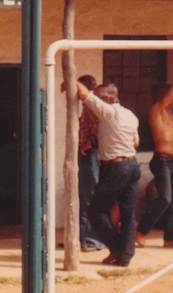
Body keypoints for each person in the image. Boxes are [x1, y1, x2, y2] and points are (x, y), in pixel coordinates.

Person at [75, 82, 140, 267]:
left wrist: (71, 82)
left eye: (98, 97)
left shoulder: (108, 111)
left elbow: (82, 92)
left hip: (114, 168)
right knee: (128, 213)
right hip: (132, 165)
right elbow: (135, 143)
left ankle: (117, 248)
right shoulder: (131, 115)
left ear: (107, 99)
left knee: (95, 211)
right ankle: (124, 256)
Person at [136, 83, 173, 250]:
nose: (172, 99)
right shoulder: (155, 111)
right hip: (161, 161)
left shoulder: (169, 115)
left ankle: (171, 238)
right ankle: (141, 230)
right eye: (169, 96)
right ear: (162, 96)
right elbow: (169, 94)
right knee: (164, 199)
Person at [76, 75, 103, 252]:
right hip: (86, 154)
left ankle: (92, 240)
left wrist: (89, 144)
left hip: (91, 154)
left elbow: (100, 130)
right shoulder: (87, 108)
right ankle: (80, 238)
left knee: (90, 197)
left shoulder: (94, 107)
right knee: (83, 196)